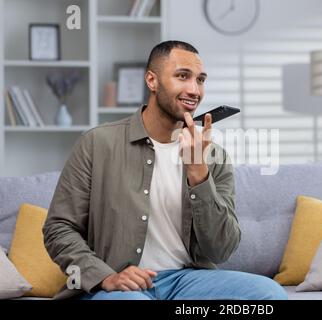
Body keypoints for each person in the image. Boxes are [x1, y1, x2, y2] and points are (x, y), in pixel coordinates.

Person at [43, 40, 288, 300]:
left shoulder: (213, 157)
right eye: (183, 76)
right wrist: (105, 276)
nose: (194, 90)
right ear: (152, 80)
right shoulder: (97, 143)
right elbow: (59, 228)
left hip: (186, 280)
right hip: (120, 284)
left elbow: (221, 250)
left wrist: (198, 172)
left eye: (200, 80)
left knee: (268, 294)